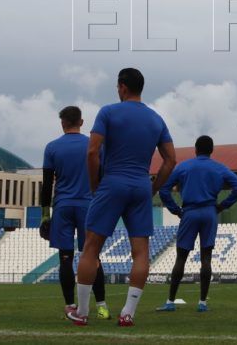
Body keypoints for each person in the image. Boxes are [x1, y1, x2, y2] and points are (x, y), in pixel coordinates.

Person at [71, 68, 176, 327]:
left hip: (112, 183)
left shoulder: (108, 112)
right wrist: (153, 188)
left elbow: (92, 152)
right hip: (140, 185)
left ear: (122, 87)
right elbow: (170, 160)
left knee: (91, 247)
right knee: (141, 252)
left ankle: (82, 312)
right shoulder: (156, 119)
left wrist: (95, 185)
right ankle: (128, 313)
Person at [155, 135, 237, 313]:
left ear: (195, 149)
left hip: (189, 212)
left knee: (181, 257)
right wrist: (222, 206)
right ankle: (202, 303)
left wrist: (176, 210)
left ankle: (170, 302)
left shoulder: (184, 166)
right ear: (211, 151)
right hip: (210, 212)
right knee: (206, 258)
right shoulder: (219, 167)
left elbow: (164, 190)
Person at [40, 105, 109, 321]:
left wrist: (45, 215)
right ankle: (102, 306)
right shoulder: (94, 145)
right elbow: (103, 176)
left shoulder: (52, 147)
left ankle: (70, 305)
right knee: (93, 256)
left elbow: (46, 184)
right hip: (89, 206)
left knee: (65, 258)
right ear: (81, 122)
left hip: (63, 206)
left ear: (62, 123)